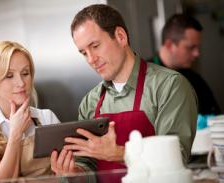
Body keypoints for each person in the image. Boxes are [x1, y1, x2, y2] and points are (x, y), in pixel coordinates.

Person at [64, 4, 198, 174]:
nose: (91, 59)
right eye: (83, 53)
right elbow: (89, 167)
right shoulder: (90, 102)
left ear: (120, 36)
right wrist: (74, 172)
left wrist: (119, 154)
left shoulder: (169, 86)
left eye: (95, 46)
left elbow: (176, 158)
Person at [0, 41, 88, 183]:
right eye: (9, 76)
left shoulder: (46, 118)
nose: (21, 83)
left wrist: (7, 174)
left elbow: (72, 177)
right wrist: (15, 133)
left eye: (25, 73)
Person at [148, 14, 221, 116]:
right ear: (169, 45)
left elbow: (215, 116)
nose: (197, 53)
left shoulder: (196, 81)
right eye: (191, 47)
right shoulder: (144, 78)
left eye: (198, 47)